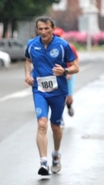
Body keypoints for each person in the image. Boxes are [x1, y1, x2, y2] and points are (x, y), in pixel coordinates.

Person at [24, 16, 79, 176]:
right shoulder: (32, 44)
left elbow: (76, 66)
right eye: (40, 29)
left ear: (52, 28)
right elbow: (27, 60)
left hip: (58, 91)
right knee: (42, 124)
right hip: (39, 89)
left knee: (55, 126)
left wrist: (65, 71)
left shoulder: (63, 45)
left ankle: (56, 154)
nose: (43, 32)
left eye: (46, 28)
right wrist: (28, 74)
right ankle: (43, 162)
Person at [53, 27, 79, 117]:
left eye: (59, 36)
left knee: (68, 99)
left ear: (63, 36)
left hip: (68, 75)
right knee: (58, 99)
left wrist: (69, 72)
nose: (57, 38)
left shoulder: (69, 47)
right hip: (56, 76)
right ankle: (59, 119)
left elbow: (76, 61)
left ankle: (69, 106)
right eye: (55, 36)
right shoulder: (50, 48)